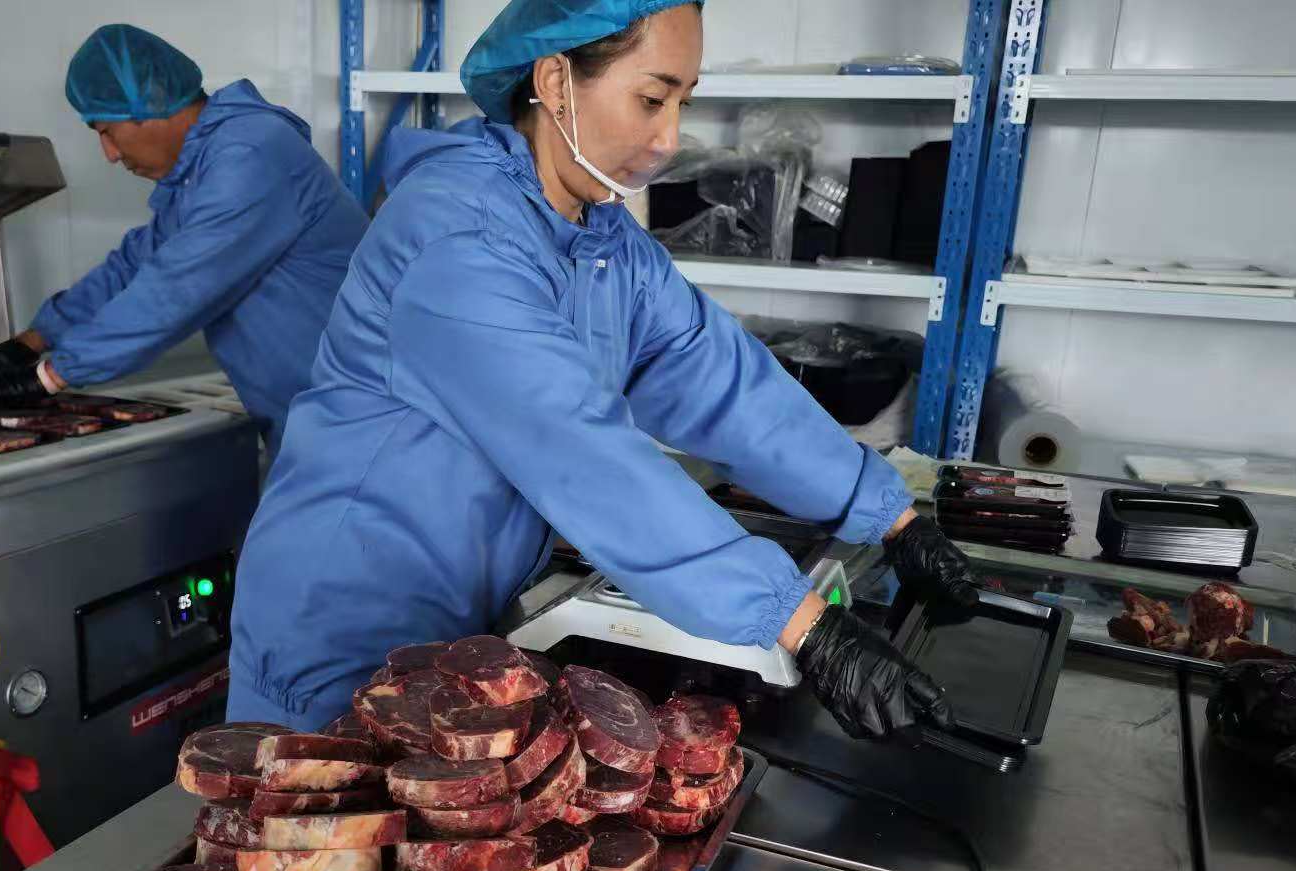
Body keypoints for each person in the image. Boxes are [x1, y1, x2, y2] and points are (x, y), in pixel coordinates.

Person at [227, 0, 977, 735]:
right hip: (340, 625)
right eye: (651, 98)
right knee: (319, 812)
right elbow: (584, 453)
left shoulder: (601, 241)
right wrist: (805, 626)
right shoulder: (457, 239)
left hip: (456, 619)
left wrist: (890, 517)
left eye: (682, 102)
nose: (669, 138)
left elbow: (719, 378)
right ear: (555, 82)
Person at [0, 24, 369, 451]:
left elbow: (175, 290)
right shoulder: (202, 169)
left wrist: (49, 376)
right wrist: (30, 343)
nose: (109, 155)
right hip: (314, 423)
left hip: (359, 422)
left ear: (150, 103)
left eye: (106, 131)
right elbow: (133, 266)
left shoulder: (250, 154)